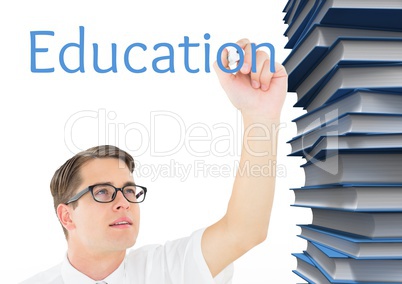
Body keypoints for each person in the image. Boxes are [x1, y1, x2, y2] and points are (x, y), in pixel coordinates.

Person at [21, 38, 288, 284]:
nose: (123, 202)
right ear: (67, 215)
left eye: (128, 190)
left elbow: (244, 230)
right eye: (103, 191)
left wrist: (260, 116)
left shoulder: (168, 270)